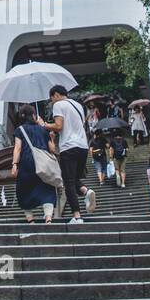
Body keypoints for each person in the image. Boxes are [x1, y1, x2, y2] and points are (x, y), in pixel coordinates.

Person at [44, 84, 95, 224]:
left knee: (69, 183)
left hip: (69, 147)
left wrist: (45, 125)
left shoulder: (59, 105)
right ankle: (86, 191)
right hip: (83, 146)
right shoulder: (78, 105)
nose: (52, 101)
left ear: (56, 95)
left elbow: (59, 126)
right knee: (74, 179)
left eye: (51, 98)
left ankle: (77, 216)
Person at [10, 105, 58, 224]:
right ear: (33, 115)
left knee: (24, 189)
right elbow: (52, 149)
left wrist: (14, 164)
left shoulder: (19, 130)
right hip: (44, 162)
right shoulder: (43, 129)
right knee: (47, 188)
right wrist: (52, 137)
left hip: (27, 163)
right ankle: (48, 217)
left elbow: (18, 148)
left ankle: (30, 219)